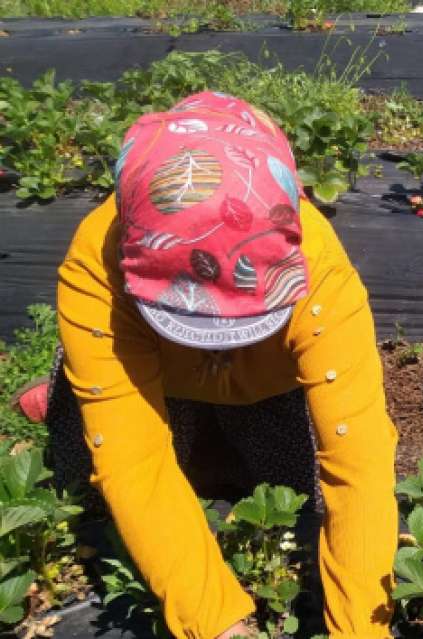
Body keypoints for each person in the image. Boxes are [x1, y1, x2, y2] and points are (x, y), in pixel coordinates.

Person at [14, 92, 398, 638]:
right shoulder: (94, 270)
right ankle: (63, 388)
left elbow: (357, 458)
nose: (214, 339)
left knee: (291, 501)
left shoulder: (322, 275)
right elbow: (134, 459)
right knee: (93, 491)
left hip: (266, 385)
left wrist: (361, 630)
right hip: (158, 380)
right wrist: (217, 623)